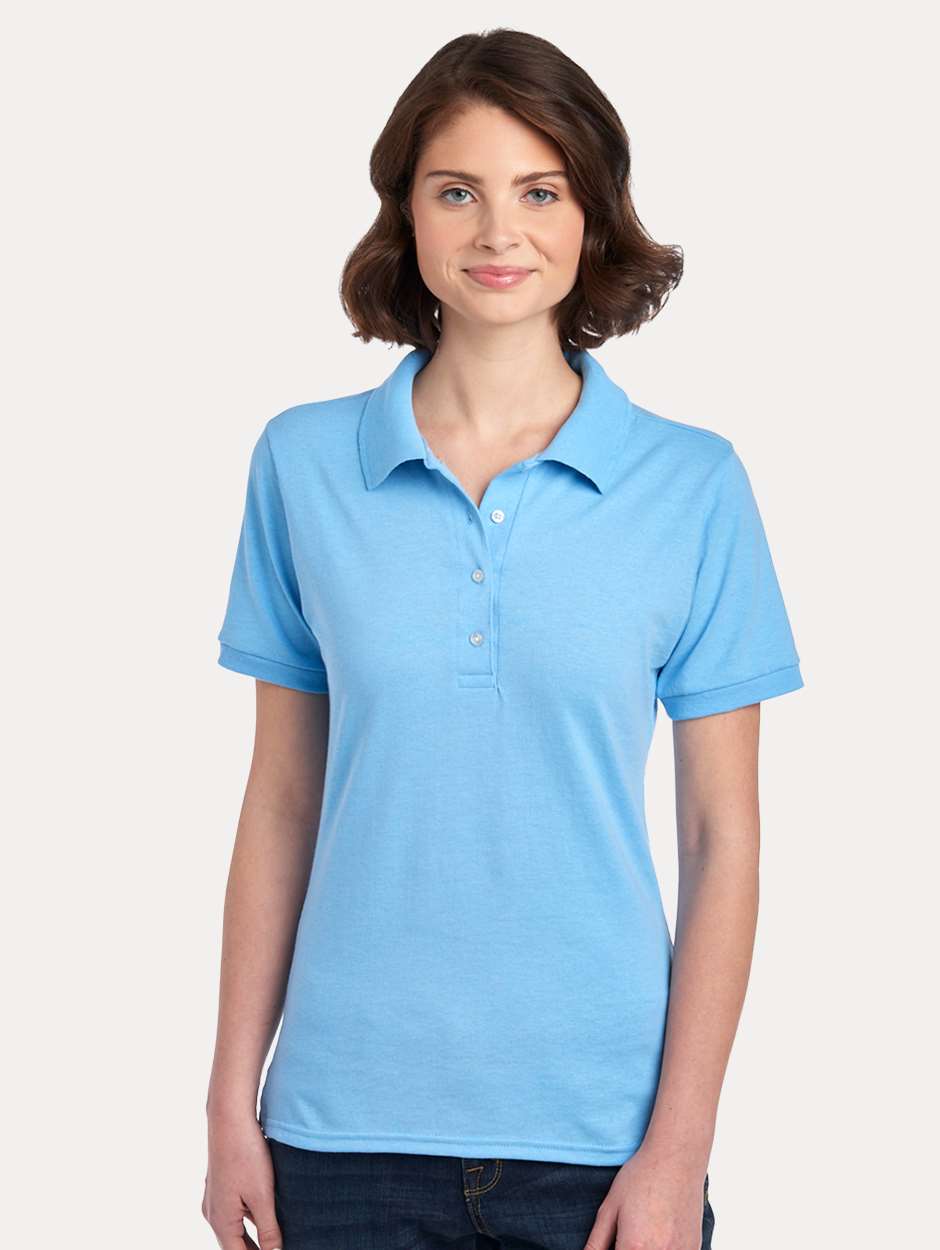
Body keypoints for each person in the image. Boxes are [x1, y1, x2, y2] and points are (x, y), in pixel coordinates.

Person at [203, 27, 804, 1250]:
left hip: (603, 1145)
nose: (498, 232)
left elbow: (719, 835)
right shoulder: (302, 464)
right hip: (341, 1136)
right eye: (457, 191)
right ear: (406, 213)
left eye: (540, 192)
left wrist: (679, 1147)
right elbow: (280, 800)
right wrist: (227, 1105)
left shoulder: (692, 484)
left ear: (592, 216)